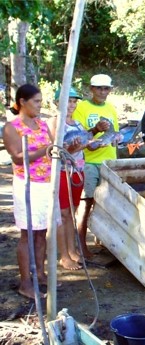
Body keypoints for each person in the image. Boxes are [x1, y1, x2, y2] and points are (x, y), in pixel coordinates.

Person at [3, 84, 52, 298]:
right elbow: (16, 157)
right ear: (22, 102)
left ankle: (40, 274)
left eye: (41, 101)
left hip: (46, 183)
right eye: (36, 101)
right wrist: (44, 150)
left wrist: (71, 147)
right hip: (28, 185)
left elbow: (52, 148)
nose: (40, 106)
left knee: (41, 232)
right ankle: (25, 283)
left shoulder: (41, 124)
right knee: (28, 234)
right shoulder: (12, 127)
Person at [72, 74, 119, 258]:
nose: (102, 91)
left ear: (110, 90)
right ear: (91, 88)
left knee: (106, 204)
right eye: (98, 88)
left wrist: (116, 139)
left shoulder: (111, 108)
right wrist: (97, 130)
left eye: (106, 88)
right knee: (86, 204)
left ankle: (102, 241)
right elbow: (77, 135)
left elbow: (114, 134)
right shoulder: (81, 108)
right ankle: (81, 245)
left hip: (109, 162)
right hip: (88, 162)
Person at [48, 87, 86, 270]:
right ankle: (63, 255)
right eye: (67, 101)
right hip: (62, 172)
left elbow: (85, 144)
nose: (71, 105)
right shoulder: (54, 123)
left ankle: (72, 250)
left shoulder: (78, 123)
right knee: (62, 214)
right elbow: (57, 151)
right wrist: (73, 149)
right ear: (57, 102)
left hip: (77, 171)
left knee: (72, 212)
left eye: (73, 101)